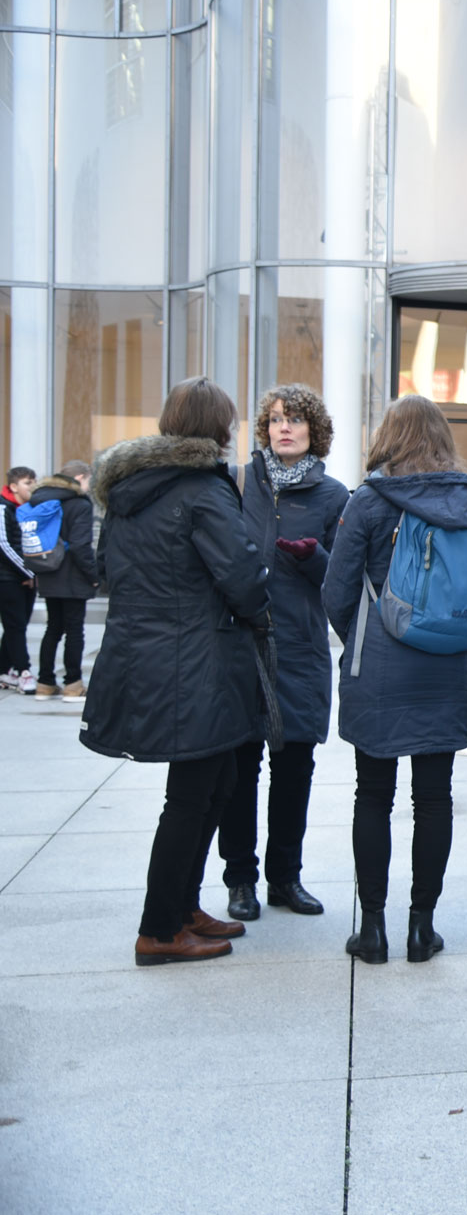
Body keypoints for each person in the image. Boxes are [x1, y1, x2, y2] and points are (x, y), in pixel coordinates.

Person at [80, 378, 269, 966]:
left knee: (213, 786)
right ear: (216, 428)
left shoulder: (129, 491)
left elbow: (105, 569)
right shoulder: (202, 490)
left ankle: (183, 906)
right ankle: (159, 929)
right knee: (192, 796)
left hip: (150, 656)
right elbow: (241, 576)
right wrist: (260, 611)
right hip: (198, 661)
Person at [322, 395, 467, 966]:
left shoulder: (369, 501)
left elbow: (336, 590)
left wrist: (366, 634)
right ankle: (423, 927)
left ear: (386, 436)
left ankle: (373, 930)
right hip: (448, 664)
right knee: (434, 797)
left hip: (382, 665)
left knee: (373, 794)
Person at [218, 384, 350, 923]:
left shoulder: (334, 495)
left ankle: (285, 877)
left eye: (295, 419)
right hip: (240, 642)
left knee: (294, 766)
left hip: (298, 646)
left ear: (314, 431)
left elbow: (343, 583)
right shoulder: (236, 483)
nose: (284, 428)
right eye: (275, 420)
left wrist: (316, 558)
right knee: (239, 766)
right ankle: (240, 880)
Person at [28, 459, 98, 699]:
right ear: (80, 478)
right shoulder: (79, 503)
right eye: (88, 480)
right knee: (74, 630)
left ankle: (45, 683)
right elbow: (80, 546)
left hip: (48, 572)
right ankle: (73, 684)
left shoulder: (41, 498)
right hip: (73, 576)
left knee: (53, 628)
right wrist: (94, 575)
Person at [1, 466, 35, 693]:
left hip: (26, 578)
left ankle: (4, 669)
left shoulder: (27, 509)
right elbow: (3, 545)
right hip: (7, 579)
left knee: (17, 626)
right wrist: (28, 572)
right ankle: (24, 672)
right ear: (13, 486)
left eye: (34, 481)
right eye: (27, 482)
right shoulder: (3, 508)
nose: (32, 486)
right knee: (16, 626)